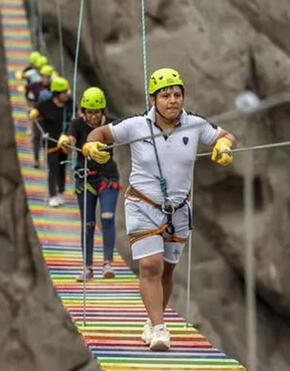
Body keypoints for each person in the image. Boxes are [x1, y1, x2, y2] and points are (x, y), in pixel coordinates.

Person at [81, 67, 236, 351]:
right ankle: (161, 329)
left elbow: (224, 135)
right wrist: (91, 146)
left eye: (177, 94)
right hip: (143, 204)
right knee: (150, 265)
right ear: (153, 100)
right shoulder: (136, 125)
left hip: (179, 208)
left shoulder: (196, 124)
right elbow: (100, 132)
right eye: (165, 95)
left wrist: (224, 146)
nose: (173, 100)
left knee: (166, 270)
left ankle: (153, 322)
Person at [57, 87, 120, 281]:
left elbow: (127, 132)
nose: (93, 117)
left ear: (103, 111)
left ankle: (108, 264)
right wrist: (65, 141)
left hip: (108, 177)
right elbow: (71, 141)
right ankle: (87, 267)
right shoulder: (77, 124)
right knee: (88, 223)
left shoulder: (110, 126)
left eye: (97, 112)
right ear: (83, 112)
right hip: (85, 179)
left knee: (107, 217)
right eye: (90, 112)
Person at [29, 76, 73, 206]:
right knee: (53, 168)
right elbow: (36, 110)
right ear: (57, 93)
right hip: (51, 142)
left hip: (64, 142)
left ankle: (61, 192)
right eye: (64, 92)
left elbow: (76, 114)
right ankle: (52, 195)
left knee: (62, 168)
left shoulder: (69, 103)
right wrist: (33, 112)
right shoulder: (46, 105)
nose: (67, 94)